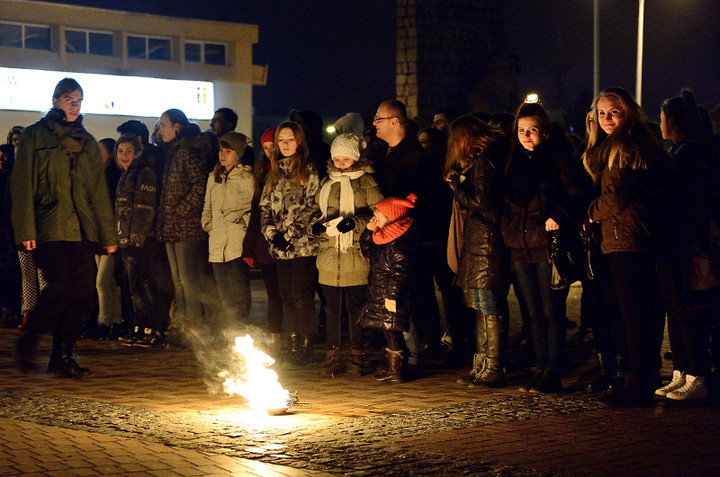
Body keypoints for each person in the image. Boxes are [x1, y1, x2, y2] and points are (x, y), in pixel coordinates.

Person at [11, 77, 116, 377]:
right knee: (59, 287)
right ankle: (29, 341)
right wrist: (25, 231)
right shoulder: (34, 136)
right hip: (48, 225)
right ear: (56, 100)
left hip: (81, 228)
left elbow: (98, 192)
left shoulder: (87, 142)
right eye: (69, 98)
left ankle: (62, 354)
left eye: (79, 99)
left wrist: (108, 236)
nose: (74, 104)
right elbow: (22, 186)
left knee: (84, 290)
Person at [584, 87, 668, 407]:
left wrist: (589, 214)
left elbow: (616, 196)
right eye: (601, 113)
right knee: (634, 314)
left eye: (612, 112)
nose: (606, 119)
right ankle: (637, 378)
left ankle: (637, 386)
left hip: (628, 238)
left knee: (633, 315)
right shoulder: (622, 143)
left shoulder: (626, 145)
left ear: (627, 112)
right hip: (628, 238)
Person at [502, 102, 582, 394]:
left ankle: (554, 369)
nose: (526, 135)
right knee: (532, 312)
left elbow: (575, 194)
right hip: (521, 245)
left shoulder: (557, 160)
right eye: (521, 130)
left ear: (544, 132)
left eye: (532, 130)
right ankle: (540, 365)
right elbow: (508, 202)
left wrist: (558, 215)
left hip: (547, 244)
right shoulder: (515, 162)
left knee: (551, 311)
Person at [654, 90, 720, 401]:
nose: (660, 123)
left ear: (674, 121)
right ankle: (681, 371)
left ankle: (698, 374)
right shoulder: (680, 152)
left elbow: (692, 203)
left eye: (663, 117)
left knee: (690, 311)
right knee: (675, 309)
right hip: (673, 245)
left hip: (687, 246)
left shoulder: (694, 154)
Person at [310, 133, 383, 376]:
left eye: (346, 159)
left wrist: (355, 223)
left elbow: (379, 214)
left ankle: (357, 355)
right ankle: (332, 354)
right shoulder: (326, 182)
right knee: (330, 307)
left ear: (356, 158)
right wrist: (317, 227)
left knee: (356, 307)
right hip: (330, 256)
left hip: (356, 255)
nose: (340, 164)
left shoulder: (366, 182)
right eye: (337, 159)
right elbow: (314, 210)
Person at [445, 116, 508, 387]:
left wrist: (459, 188)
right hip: (481, 239)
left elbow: (481, 200)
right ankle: (482, 362)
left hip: (487, 239)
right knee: (481, 303)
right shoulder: (483, 159)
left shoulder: (484, 160)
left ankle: (492, 365)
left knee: (488, 304)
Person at [372, 99, 432, 375]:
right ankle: (400, 354)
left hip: (406, 237)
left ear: (395, 121)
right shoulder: (385, 153)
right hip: (389, 234)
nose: (374, 124)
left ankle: (412, 356)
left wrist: (392, 217)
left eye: (379, 119)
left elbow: (415, 200)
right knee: (392, 297)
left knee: (405, 296)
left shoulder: (414, 156)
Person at [260, 121, 320, 366]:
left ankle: (305, 345)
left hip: (303, 246)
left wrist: (290, 235)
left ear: (299, 142)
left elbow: (313, 207)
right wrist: (273, 235)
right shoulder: (273, 173)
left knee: (301, 295)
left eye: (290, 140)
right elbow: (264, 207)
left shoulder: (308, 170)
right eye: (281, 141)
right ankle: (293, 342)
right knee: (285, 295)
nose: (285, 145)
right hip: (279, 248)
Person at [155, 108, 214, 337]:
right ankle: (184, 324)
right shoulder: (172, 152)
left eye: (163, 125)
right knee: (178, 280)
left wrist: (180, 210)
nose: (160, 130)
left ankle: (195, 325)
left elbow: (200, 185)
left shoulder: (187, 151)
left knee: (188, 280)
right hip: (171, 226)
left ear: (176, 127)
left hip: (186, 227)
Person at [359, 193, 419, 384]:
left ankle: (396, 371)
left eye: (379, 215)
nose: (375, 217)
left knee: (393, 330)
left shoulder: (398, 241)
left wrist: (392, 295)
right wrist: (368, 231)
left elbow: (400, 272)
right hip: (380, 291)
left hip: (391, 295)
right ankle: (394, 367)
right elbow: (367, 250)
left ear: (391, 217)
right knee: (388, 329)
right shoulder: (381, 236)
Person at [114, 133, 165, 348]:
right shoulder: (126, 174)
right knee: (135, 288)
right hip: (127, 241)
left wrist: (136, 239)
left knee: (142, 287)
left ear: (138, 152)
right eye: (120, 152)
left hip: (139, 243)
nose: (124, 156)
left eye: (129, 151)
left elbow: (144, 209)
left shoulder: (143, 173)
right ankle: (139, 328)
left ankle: (151, 330)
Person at [202, 132, 254, 329]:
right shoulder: (213, 178)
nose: (223, 155)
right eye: (221, 150)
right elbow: (207, 206)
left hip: (237, 244)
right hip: (217, 244)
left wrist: (240, 222)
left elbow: (252, 208)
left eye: (228, 151)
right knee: (224, 294)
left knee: (239, 292)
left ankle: (242, 332)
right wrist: (208, 224)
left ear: (238, 153)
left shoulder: (247, 178)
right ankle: (231, 333)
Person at [243, 126, 284, 356]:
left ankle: (296, 340)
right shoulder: (262, 172)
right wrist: (250, 247)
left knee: (289, 294)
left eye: (273, 146)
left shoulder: (289, 171)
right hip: (265, 244)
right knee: (273, 295)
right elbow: (256, 212)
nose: (269, 151)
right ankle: (274, 339)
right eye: (266, 147)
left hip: (287, 242)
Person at [94, 137, 123, 337]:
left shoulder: (113, 177)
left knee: (102, 281)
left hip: (109, 235)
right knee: (109, 281)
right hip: (98, 235)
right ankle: (115, 320)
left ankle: (104, 322)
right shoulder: (100, 176)